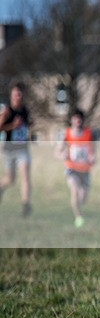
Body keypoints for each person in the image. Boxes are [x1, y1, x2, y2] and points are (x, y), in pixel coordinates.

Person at [55, 109, 96, 228]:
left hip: (85, 169)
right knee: (75, 191)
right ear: (71, 120)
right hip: (71, 168)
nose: (77, 120)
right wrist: (62, 155)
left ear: (82, 120)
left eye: (79, 118)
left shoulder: (88, 133)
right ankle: (78, 218)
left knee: (83, 197)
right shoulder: (67, 134)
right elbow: (57, 152)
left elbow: (92, 150)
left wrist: (92, 157)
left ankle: (78, 209)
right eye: (75, 118)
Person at [0, 81, 33, 217]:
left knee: (25, 175)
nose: (18, 96)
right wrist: (12, 126)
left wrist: (29, 126)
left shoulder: (25, 111)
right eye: (15, 94)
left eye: (20, 94)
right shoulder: (7, 111)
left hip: (22, 149)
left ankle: (25, 205)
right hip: (9, 150)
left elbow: (26, 127)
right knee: (10, 180)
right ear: (11, 95)